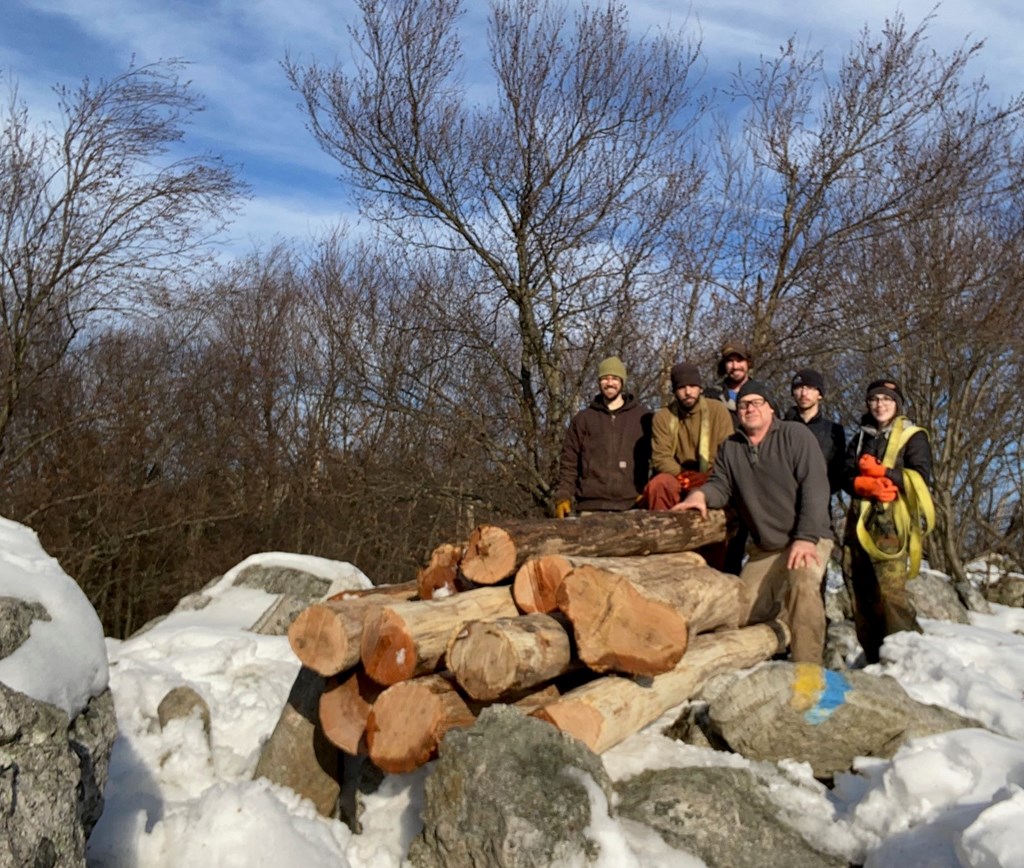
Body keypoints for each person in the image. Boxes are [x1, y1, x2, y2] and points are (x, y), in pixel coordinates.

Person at [673, 380, 833, 664]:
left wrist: (805, 537)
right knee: (740, 610)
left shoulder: (796, 436)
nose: (750, 408)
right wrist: (700, 495)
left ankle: (809, 669)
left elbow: (816, 487)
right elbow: (721, 486)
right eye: (744, 404)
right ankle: (768, 643)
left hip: (809, 536)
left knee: (803, 585)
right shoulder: (731, 447)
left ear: (771, 408)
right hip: (767, 547)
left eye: (757, 402)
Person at [842, 378, 935, 664]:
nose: (880, 404)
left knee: (891, 592)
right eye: (875, 399)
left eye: (886, 400)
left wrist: (884, 473)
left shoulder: (913, 436)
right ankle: (873, 656)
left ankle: (906, 658)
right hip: (859, 521)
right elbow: (844, 475)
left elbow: (920, 479)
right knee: (859, 587)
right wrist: (860, 484)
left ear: (897, 405)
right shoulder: (861, 436)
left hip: (891, 524)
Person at [553, 356, 652, 517]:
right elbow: (569, 462)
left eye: (614, 378)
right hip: (591, 506)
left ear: (622, 381)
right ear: (599, 382)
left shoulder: (643, 418)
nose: (610, 383)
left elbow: (659, 457)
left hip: (633, 505)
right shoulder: (583, 419)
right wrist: (563, 496)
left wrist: (649, 490)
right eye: (605, 378)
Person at [643, 361, 734, 510]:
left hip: (712, 474)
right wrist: (683, 475)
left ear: (700, 388)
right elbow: (661, 457)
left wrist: (708, 476)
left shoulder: (717, 410)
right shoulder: (663, 416)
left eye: (692, 386)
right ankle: (660, 529)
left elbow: (727, 452)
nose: (688, 392)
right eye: (682, 387)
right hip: (677, 474)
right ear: (675, 390)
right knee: (659, 484)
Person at [784, 368, 846, 502]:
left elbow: (838, 473)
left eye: (810, 388)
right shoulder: (781, 428)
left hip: (819, 505)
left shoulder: (834, 431)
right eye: (799, 388)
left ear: (820, 394)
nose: (804, 393)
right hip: (784, 505)